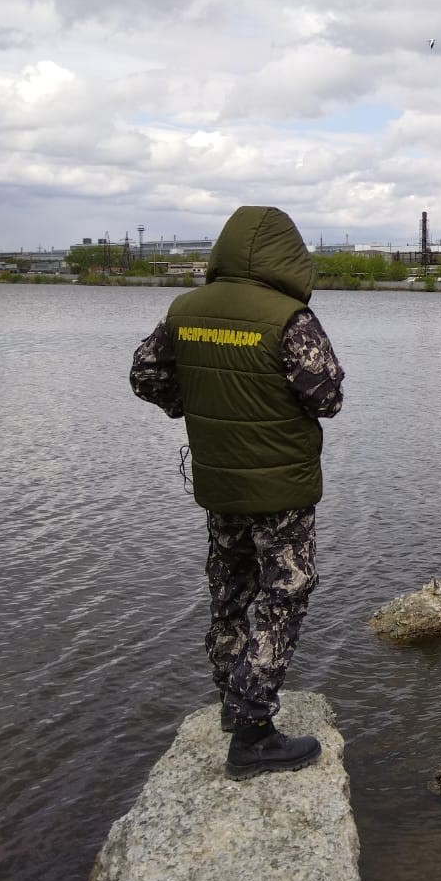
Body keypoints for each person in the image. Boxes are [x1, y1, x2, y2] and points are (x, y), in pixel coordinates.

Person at [130, 205, 345, 779]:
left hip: (219, 479)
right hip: (280, 486)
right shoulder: (289, 317)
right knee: (287, 590)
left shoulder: (186, 310)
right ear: (288, 256)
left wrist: (193, 405)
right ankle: (253, 733)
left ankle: (231, 697)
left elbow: (145, 376)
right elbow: (326, 396)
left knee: (230, 587)